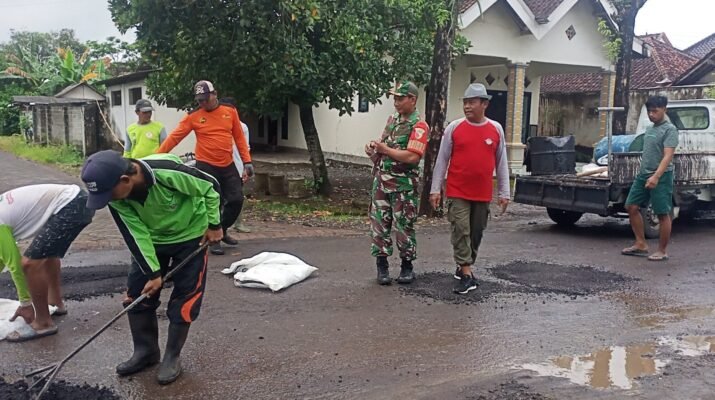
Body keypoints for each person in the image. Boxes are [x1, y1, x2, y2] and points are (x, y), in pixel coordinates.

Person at [81, 150, 222, 385]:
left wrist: (215, 224)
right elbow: (135, 234)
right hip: (153, 240)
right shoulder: (116, 199)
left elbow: (210, 187)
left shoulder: (167, 171)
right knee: (138, 294)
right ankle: (146, 352)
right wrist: (153, 273)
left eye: (109, 194)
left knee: (186, 297)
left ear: (125, 180)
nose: (108, 200)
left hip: (191, 236)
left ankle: (172, 356)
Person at [429, 83, 510, 295]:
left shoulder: (495, 129)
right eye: (465, 102)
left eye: (472, 102)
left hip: (482, 192)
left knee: (476, 231)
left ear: (484, 104)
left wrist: (504, 193)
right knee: (461, 229)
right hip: (457, 190)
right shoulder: (454, 128)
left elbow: (501, 162)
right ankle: (466, 273)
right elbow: (442, 160)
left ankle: (464, 264)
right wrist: (435, 189)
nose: (467, 106)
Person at [157, 81, 253, 256]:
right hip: (206, 165)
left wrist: (247, 161)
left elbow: (239, 137)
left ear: (214, 94)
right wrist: (156, 158)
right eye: (199, 100)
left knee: (236, 200)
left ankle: (221, 229)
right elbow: (174, 138)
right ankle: (214, 239)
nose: (202, 103)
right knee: (213, 202)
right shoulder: (193, 116)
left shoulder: (230, 111)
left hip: (227, 164)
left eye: (205, 99)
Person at [1, 184, 95, 341]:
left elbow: (15, 265)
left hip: (71, 205)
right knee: (46, 254)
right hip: (76, 200)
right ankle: (55, 304)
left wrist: (25, 304)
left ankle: (43, 323)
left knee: (30, 264)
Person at [365, 80, 429, 285]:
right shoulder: (392, 120)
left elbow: (412, 157)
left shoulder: (419, 126)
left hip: (403, 185)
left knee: (404, 225)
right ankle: (382, 266)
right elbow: (385, 144)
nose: (396, 102)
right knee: (379, 224)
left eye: (400, 98)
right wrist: (374, 149)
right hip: (382, 181)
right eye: (395, 98)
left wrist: (386, 150)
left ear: (413, 99)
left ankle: (406, 266)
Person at [621, 95, 678, 261]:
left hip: (661, 176)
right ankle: (641, 244)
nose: (651, 114)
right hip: (643, 174)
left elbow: (668, 156)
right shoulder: (650, 129)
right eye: (649, 111)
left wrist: (656, 176)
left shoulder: (670, 130)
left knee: (662, 213)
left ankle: (662, 251)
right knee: (631, 206)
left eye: (655, 111)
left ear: (664, 109)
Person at [220, 97, 252, 234]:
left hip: (237, 167)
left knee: (237, 197)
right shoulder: (217, 125)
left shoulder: (242, 127)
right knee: (219, 198)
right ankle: (221, 226)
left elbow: (246, 147)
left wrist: (246, 167)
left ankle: (238, 223)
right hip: (219, 167)